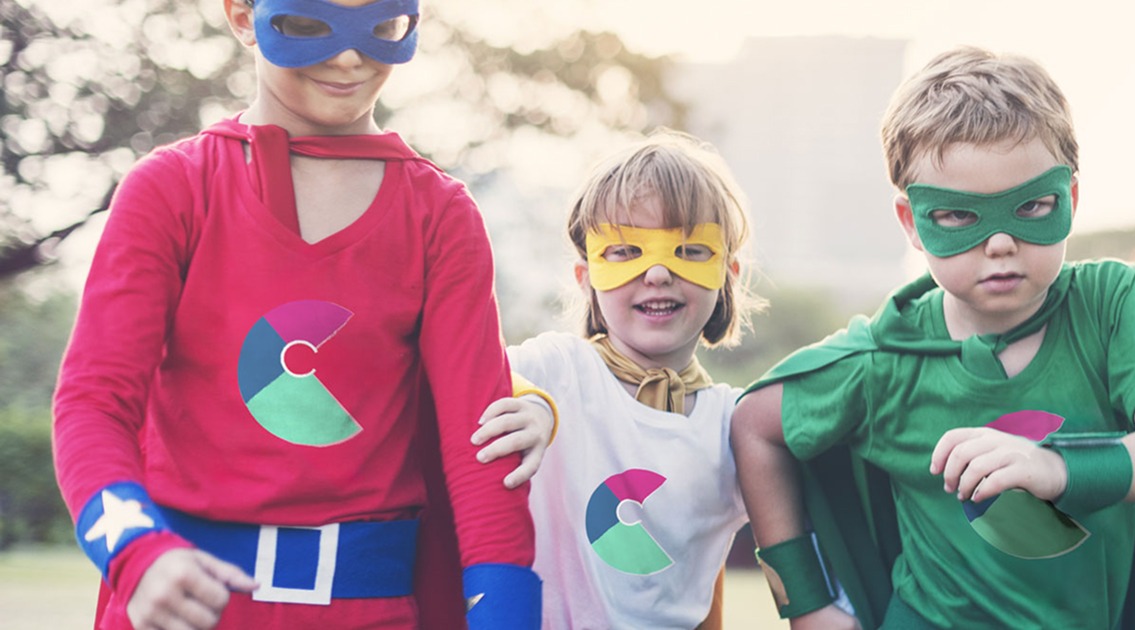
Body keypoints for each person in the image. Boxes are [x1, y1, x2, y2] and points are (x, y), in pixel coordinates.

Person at [731, 47, 1135, 629]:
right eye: (958, 216)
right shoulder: (883, 362)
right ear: (911, 220)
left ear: (1069, 193)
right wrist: (806, 603)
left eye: (1031, 207)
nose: (1001, 243)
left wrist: (1054, 466)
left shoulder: (1109, 306)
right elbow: (754, 425)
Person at [52, 1, 539, 627]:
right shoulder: (173, 188)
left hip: (369, 609)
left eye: (383, 26)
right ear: (242, 16)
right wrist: (134, 551)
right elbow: (93, 402)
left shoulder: (440, 214)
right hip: (182, 607)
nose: (347, 56)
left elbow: (479, 444)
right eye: (309, 24)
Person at [465, 130, 762, 628]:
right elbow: (475, 378)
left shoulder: (733, 424)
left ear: (727, 274)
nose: (658, 273)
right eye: (625, 251)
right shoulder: (557, 369)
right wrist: (535, 404)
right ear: (586, 278)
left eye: (689, 250)